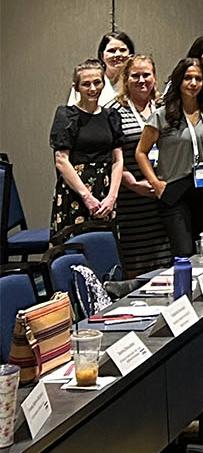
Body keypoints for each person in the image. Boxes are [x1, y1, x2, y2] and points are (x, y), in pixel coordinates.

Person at [136, 58, 203, 257]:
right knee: (184, 252)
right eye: (187, 78)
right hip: (174, 190)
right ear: (178, 81)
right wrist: (155, 183)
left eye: (198, 79)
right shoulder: (162, 115)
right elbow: (141, 152)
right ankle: (183, 288)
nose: (193, 83)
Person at [108, 55, 171, 275]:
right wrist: (133, 183)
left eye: (147, 75)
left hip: (164, 196)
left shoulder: (165, 107)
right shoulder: (114, 111)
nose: (141, 80)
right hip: (131, 201)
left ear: (155, 77)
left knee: (166, 266)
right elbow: (112, 157)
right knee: (136, 268)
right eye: (135, 75)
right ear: (126, 79)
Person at [50, 59, 123, 243]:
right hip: (76, 192)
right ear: (76, 87)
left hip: (105, 192)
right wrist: (87, 197)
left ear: (103, 83)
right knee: (75, 248)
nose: (92, 88)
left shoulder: (111, 116)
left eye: (97, 82)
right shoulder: (66, 115)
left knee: (106, 249)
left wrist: (111, 197)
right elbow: (61, 160)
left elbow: (117, 160)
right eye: (86, 84)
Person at [66, 32, 133, 107]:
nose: (117, 54)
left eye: (122, 50)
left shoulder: (138, 81)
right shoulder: (86, 81)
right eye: (111, 51)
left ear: (130, 54)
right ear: (102, 56)